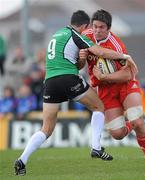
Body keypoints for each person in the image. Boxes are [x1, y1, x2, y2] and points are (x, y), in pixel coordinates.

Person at [13, 10, 136, 176]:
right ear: (84, 26)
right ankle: (96, 148)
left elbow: (75, 63)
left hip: (49, 83)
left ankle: (22, 159)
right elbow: (100, 51)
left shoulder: (57, 35)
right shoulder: (75, 34)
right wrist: (124, 56)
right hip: (67, 78)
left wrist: (83, 59)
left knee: (46, 128)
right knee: (99, 106)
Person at [82, 9, 145, 170]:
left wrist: (104, 77)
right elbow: (79, 61)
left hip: (125, 85)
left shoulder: (117, 46)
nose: (97, 30)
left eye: (101, 27)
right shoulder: (85, 36)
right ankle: (136, 124)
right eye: (95, 26)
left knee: (137, 121)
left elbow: (127, 74)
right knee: (117, 134)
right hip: (105, 91)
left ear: (108, 28)